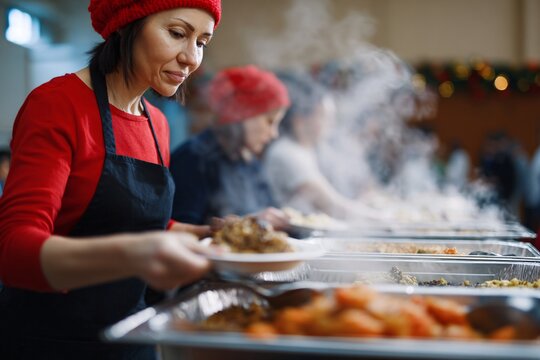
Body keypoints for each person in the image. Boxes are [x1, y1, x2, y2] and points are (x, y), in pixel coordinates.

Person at [0, 1, 221, 359]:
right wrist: (138, 254)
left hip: (131, 337)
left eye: (202, 42)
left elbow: (139, 222)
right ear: (128, 23)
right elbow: (13, 253)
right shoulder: (57, 105)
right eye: (178, 34)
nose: (191, 58)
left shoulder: (156, 124)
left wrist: (207, 236)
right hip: (52, 341)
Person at [170, 65, 290, 228]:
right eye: (270, 122)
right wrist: (253, 222)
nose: (274, 133)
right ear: (241, 114)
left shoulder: (249, 161)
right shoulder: (195, 157)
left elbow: (271, 209)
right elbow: (181, 228)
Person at [264, 73, 382, 221]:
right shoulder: (285, 153)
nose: (331, 124)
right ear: (299, 120)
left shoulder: (315, 150)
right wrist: (384, 219)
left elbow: (349, 184)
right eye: (323, 117)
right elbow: (328, 203)